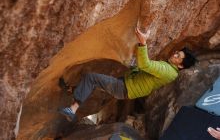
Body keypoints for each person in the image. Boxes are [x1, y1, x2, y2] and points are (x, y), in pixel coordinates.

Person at [58, 27, 196, 122]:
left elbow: (145, 65)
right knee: (98, 83)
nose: (174, 54)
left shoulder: (168, 71)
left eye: (178, 56)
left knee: (91, 78)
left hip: (125, 87)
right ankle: (74, 90)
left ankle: (72, 109)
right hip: (128, 85)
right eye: (177, 52)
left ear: (181, 65)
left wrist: (143, 43)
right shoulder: (170, 70)